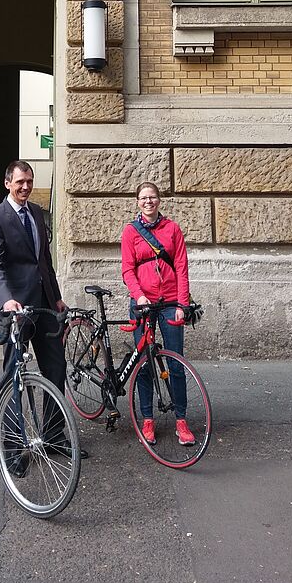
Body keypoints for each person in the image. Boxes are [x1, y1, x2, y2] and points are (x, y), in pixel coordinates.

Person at [0, 159, 87, 460]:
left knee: (56, 368)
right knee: (14, 375)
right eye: (20, 182)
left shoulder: (37, 213)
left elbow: (44, 262)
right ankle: (13, 447)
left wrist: (56, 298)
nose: (26, 186)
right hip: (15, 308)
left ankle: (54, 436)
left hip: (43, 306)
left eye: (29, 181)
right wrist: (6, 299)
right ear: (7, 183)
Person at [121, 181, 196, 447]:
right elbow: (128, 270)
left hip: (170, 302)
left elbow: (182, 267)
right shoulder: (130, 232)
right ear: (137, 202)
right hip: (142, 303)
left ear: (159, 201)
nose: (148, 202)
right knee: (144, 364)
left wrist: (182, 304)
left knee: (176, 363)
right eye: (143, 198)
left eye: (152, 197)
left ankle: (181, 420)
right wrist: (139, 296)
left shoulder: (172, 229)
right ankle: (147, 419)